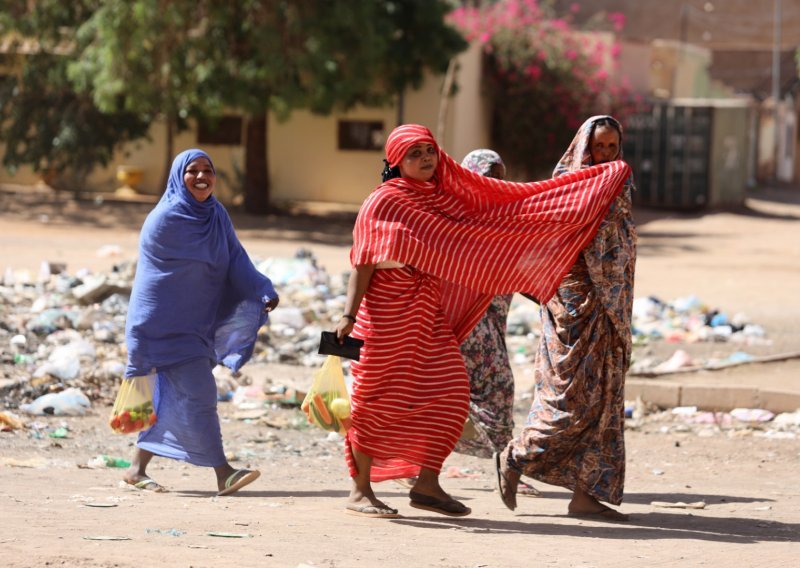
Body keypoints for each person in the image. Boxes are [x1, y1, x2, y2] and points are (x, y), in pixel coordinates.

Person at [335, 124, 630, 519]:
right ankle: (360, 490)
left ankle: (426, 484)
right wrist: (347, 315)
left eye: (429, 150)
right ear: (395, 161)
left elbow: (487, 231)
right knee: (376, 402)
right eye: (413, 153)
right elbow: (364, 263)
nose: (425, 158)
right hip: (386, 317)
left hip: (426, 314)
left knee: (452, 393)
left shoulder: (442, 200)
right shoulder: (383, 202)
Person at [494, 115, 637, 521]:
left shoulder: (619, 184)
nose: (606, 155)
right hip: (574, 308)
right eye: (598, 147)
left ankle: (586, 495)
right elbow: (545, 242)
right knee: (569, 399)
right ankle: (516, 456)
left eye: (612, 147)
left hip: (610, 311)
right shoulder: (566, 189)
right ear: (581, 148)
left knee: (604, 400)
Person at [123, 148, 279, 496]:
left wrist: (260, 288)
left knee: (175, 397)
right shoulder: (164, 218)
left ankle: (135, 470)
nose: (200, 177)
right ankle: (223, 473)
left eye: (207, 170)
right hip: (160, 326)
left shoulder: (216, 215)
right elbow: (161, 278)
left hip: (195, 325)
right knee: (200, 394)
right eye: (192, 171)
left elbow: (234, 257)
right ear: (179, 176)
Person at [451, 149, 539, 497]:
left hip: (493, 325)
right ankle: (412, 463)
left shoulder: (504, 220)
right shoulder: (458, 220)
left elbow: (518, 272)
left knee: (493, 396)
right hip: (466, 324)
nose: (496, 183)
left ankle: (503, 463)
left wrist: (549, 298)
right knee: (485, 392)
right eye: (489, 175)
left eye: (500, 175)